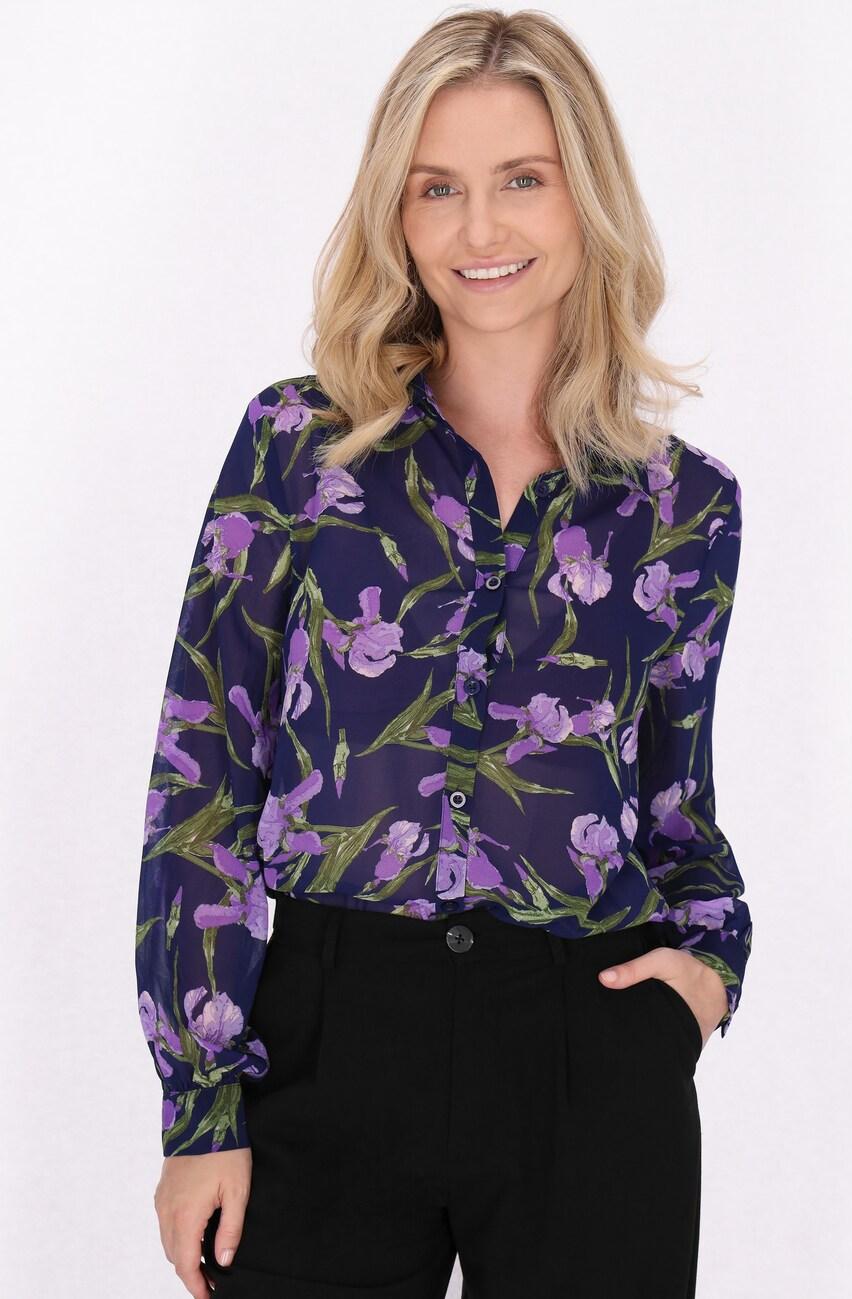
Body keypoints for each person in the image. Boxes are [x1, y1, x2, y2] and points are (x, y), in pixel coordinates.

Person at [135, 8, 751, 1297]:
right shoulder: (297, 450)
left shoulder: (680, 507)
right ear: (397, 217)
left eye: (522, 180)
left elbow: (674, 799)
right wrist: (202, 1106)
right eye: (438, 189)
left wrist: (703, 972)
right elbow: (205, 768)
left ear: (587, 197)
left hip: (586, 1049)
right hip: (324, 1039)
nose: (481, 229)